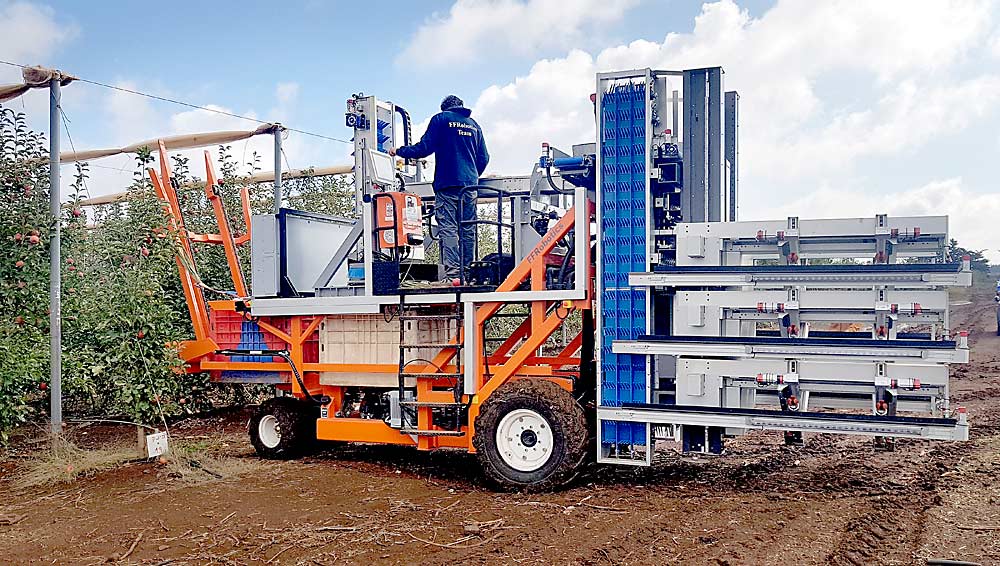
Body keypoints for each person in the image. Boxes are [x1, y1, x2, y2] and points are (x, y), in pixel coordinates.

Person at [390, 95, 489, 281]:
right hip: (470, 187)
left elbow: (424, 148)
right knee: (468, 229)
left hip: (448, 184)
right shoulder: (474, 125)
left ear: (444, 108)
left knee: (449, 228)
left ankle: (453, 276)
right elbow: (484, 157)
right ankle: (469, 273)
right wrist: (472, 175)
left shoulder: (441, 119)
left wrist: (399, 151)